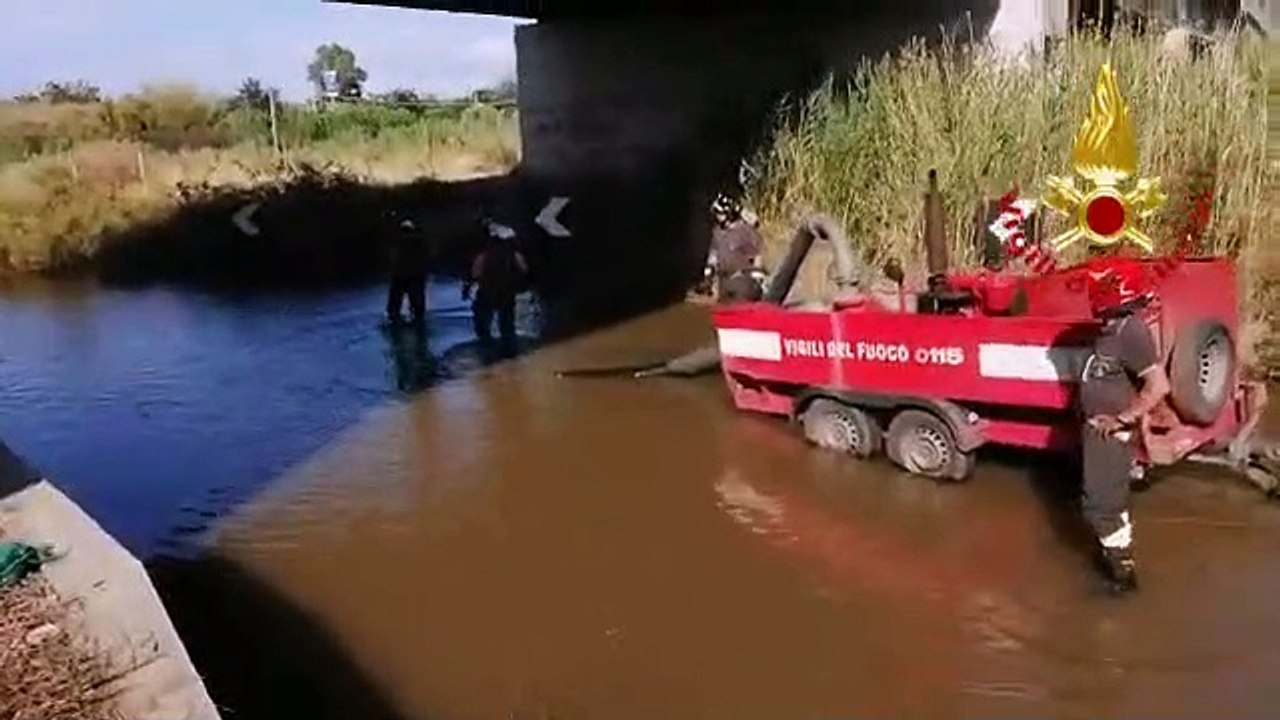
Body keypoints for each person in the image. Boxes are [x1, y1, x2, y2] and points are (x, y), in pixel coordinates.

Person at [1078, 262, 1171, 593]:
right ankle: (1113, 555)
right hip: (1096, 430)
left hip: (1110, 434)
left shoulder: (1131, 330)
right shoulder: (1111, 330)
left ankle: (1122, 575)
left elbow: (1158, 386)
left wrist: (1121, 419)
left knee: (1100, 504)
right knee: (1104, 500)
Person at [463, 214, 528, 352]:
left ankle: (488, 349)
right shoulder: (512, 253)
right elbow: (524, 269)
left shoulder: (485, 254)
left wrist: (468, 287)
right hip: (507, 292)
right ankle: (509, 350)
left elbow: (476, 272)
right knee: (507, 324)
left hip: (487, 291)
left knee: (482, 324)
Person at [708, 193, 766, 304]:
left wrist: (756, 279)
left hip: (742, 281)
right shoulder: (718, 233)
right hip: (724, 283)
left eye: (720, 214)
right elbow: (714, 256)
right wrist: (710, 277)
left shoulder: (744, 231)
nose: (717, 217)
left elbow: (757, 256)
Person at [385, 217, 430, 326]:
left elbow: (392, 256)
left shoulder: (396, 240)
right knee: (417, 299)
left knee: (396, 298)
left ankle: (394, 316)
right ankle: (417, 316)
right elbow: (427, 253)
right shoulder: (419, 241)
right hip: (415, 273)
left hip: (400, 273)